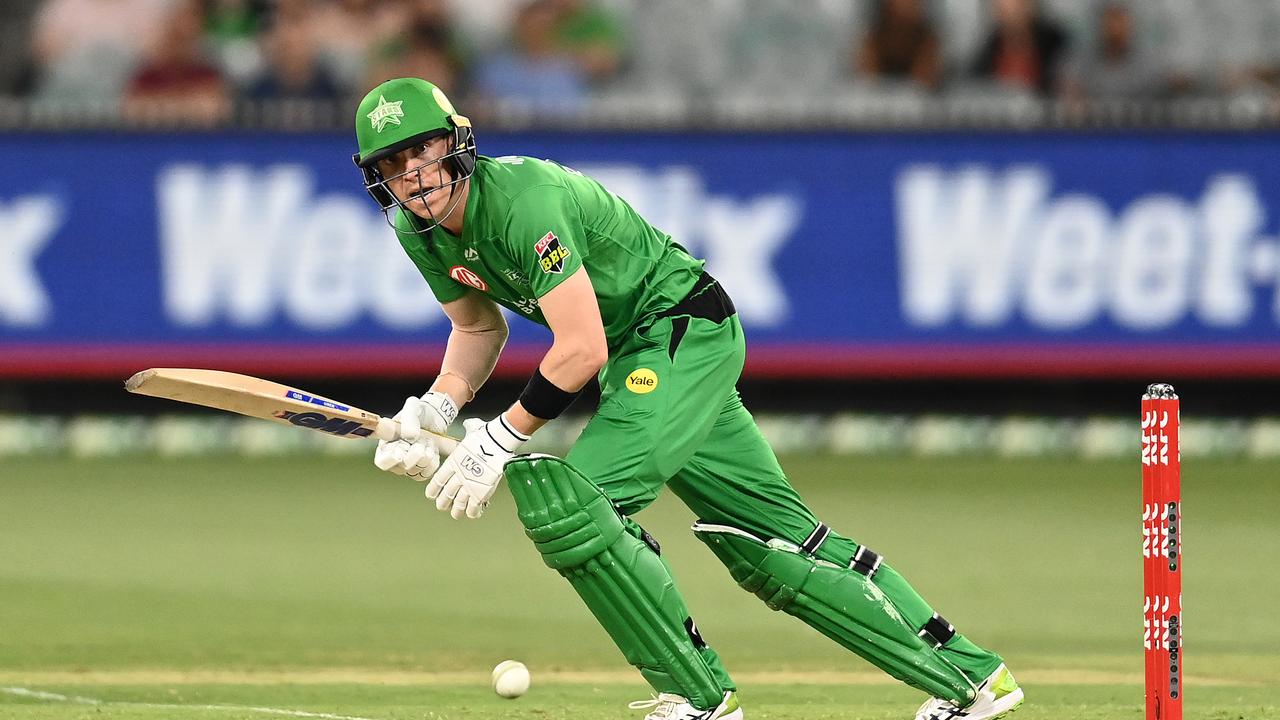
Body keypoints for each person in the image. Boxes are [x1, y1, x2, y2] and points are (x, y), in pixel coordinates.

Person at [353, 77, 1024, 720]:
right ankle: (972, 678)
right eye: (393, 162)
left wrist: (499, 439)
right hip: (648, 356)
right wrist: (438, 407)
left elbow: (580, 349)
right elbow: (476, 327)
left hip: (679, 330)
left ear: (457, 143)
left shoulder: (525, 201)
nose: (413, 175)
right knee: (770, 547)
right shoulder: (417, 230)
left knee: (577, 506)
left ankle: (702, 700)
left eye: (422, 151)